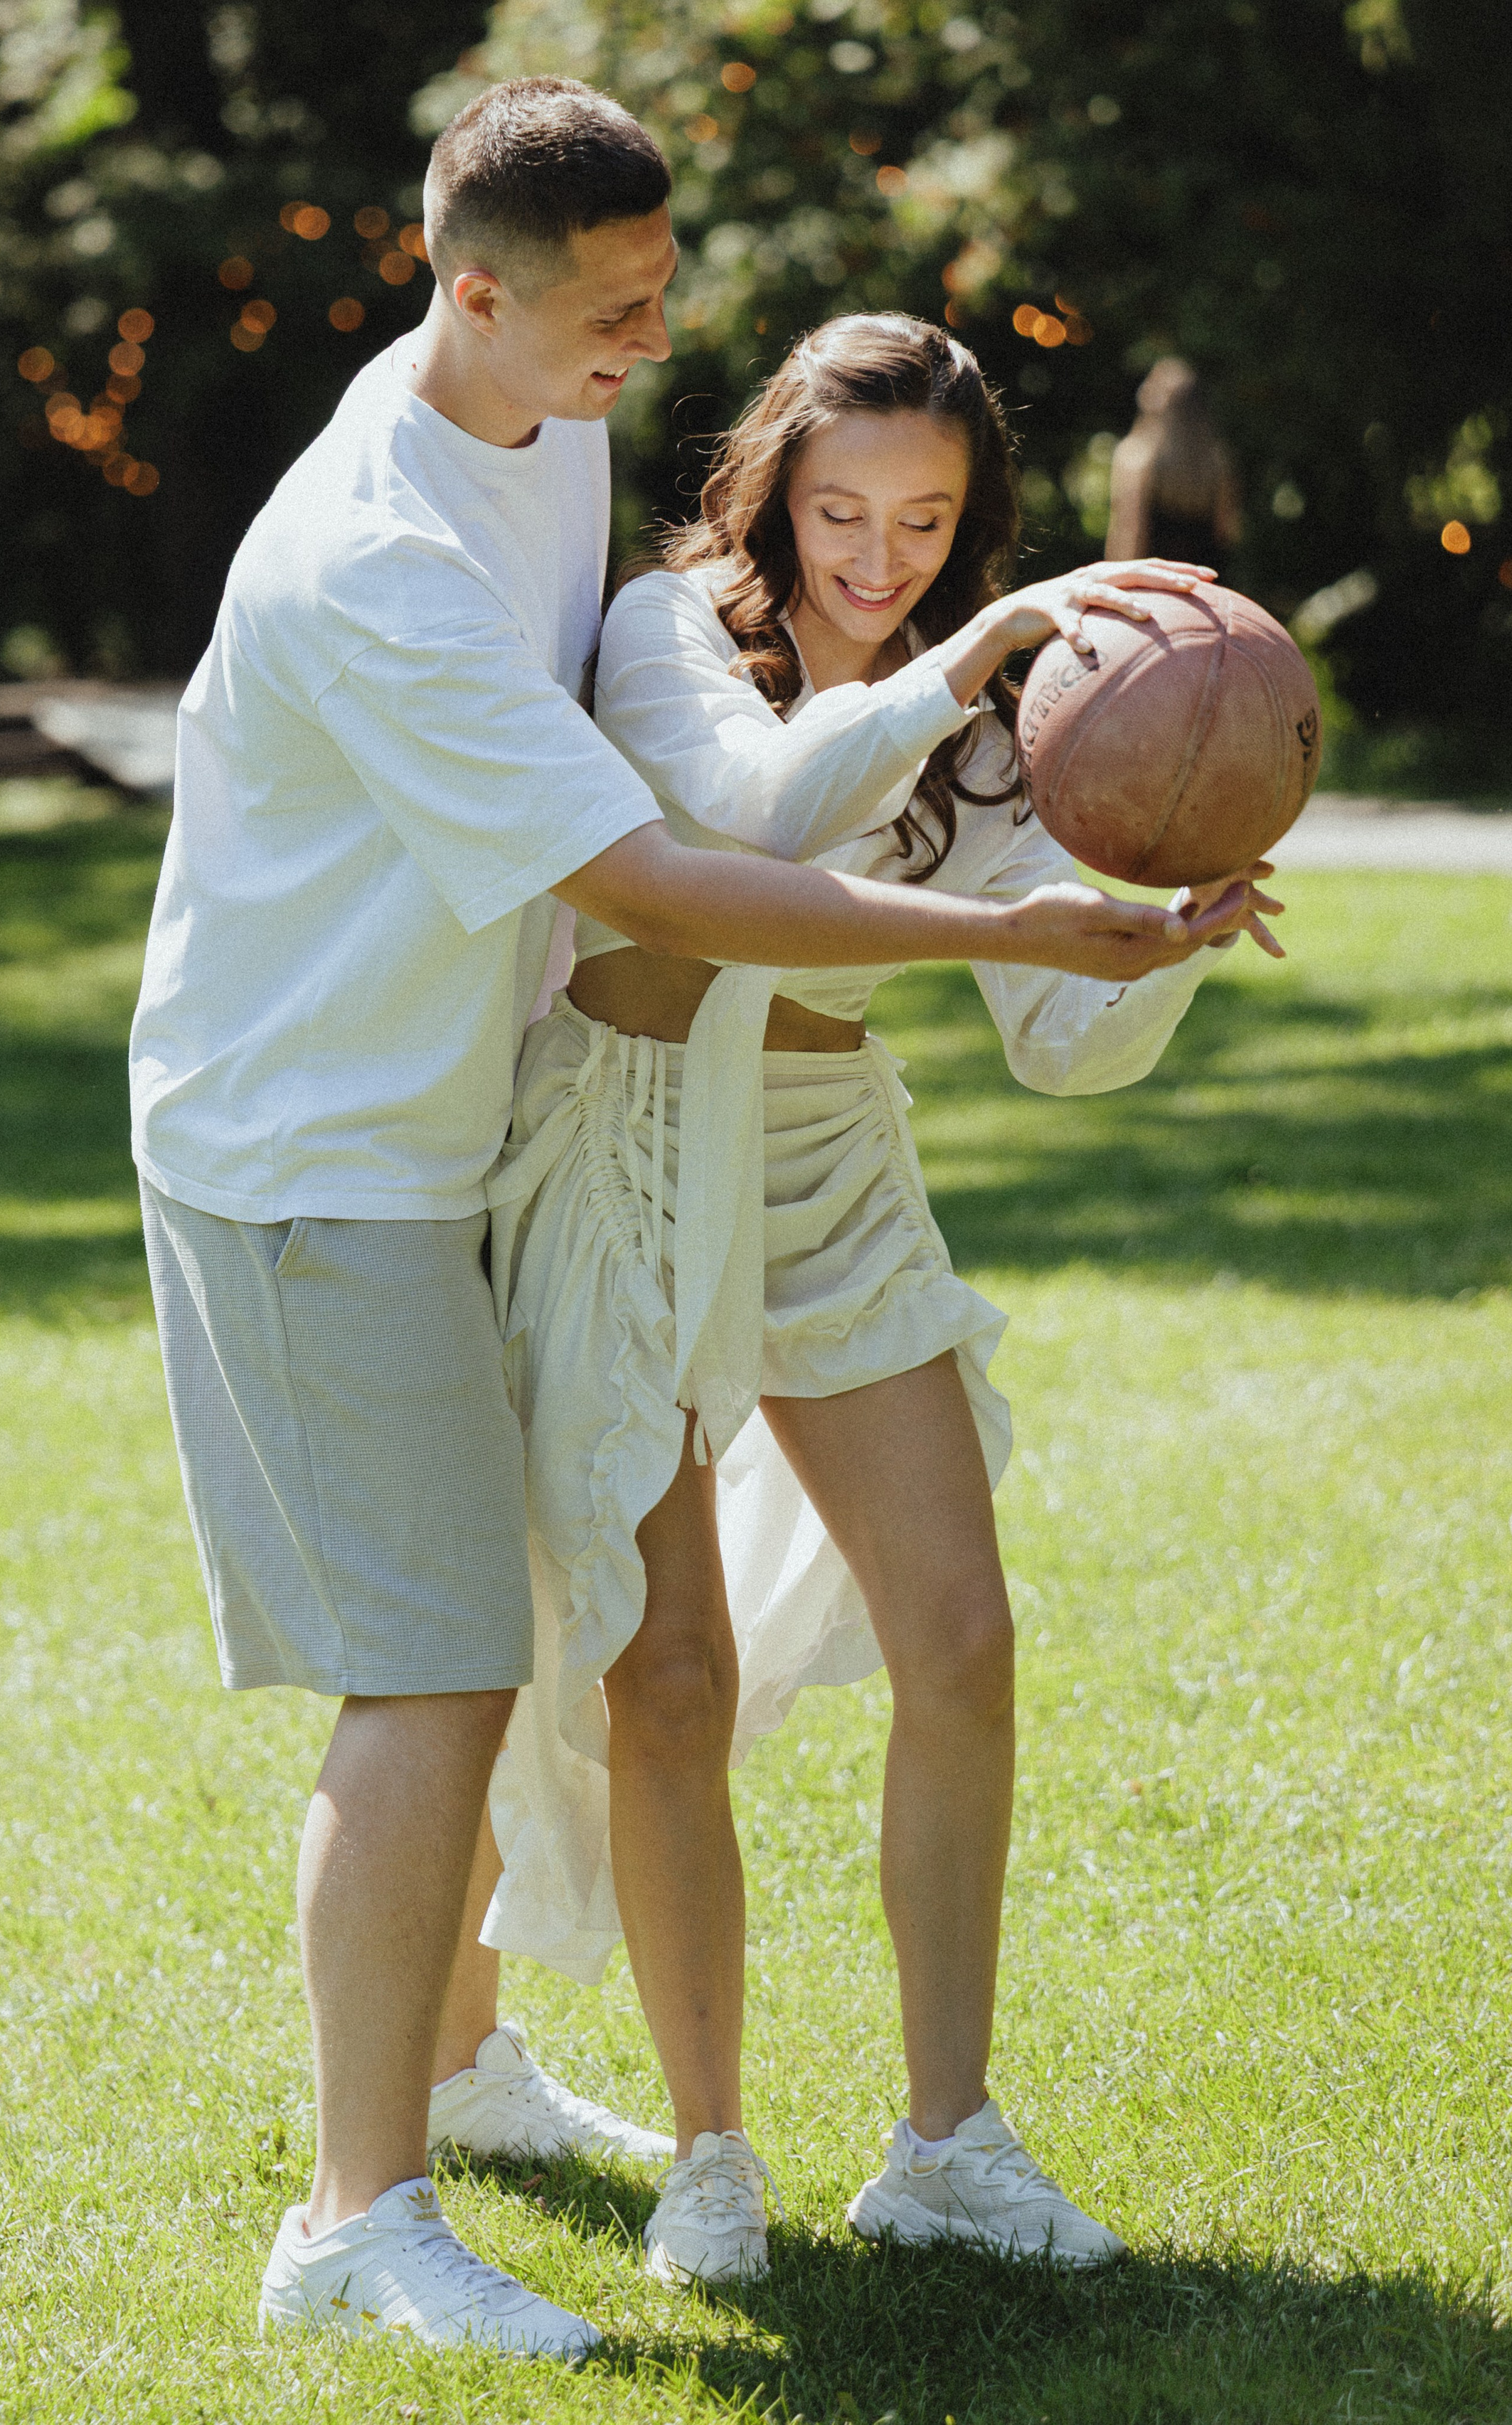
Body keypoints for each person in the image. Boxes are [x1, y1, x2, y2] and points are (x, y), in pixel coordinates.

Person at [131, 73, 1248, 2356]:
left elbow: (1053, 1011)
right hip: (342, 1140)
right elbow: (679, 862)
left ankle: (647, 2096)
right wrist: (993, 833)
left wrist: (1148, 903)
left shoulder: (542, 423)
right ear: (475, 293)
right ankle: (383, 2203)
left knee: (581, 1640)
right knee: (497, 1666)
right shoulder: (424, 568)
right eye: (619, 310)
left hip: (585, 1133)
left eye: (659, 297)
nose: (656, 342)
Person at [477, 313, 1283, 2288]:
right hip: (624, 1155)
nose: (878, 555)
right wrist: (972, 652)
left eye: (924, 523)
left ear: (970, 514)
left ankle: (945, 2143)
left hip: (831, 1166)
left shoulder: (1012, 721)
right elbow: (753, 814)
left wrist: (1172, 933)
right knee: (662, 1668)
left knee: (964, 1635)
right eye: (841, 512)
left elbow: (1054, 1043)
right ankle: (709, 2153)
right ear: (775, 490)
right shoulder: (668, 632)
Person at [1104, 356, 1242, 574]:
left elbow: (1130, 531)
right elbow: (1226, 530)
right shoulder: (1217, 460)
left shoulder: (1137, 456)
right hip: (1204, 580)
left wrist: (1117, 579)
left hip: (1153, 581)